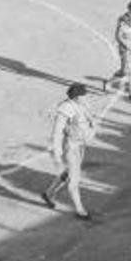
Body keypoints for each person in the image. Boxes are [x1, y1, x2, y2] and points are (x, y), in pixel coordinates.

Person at [40, 83, 98, 220]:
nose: (87, 96)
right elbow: (57, 132)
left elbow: (89, 120)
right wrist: (57, 152)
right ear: (77, 97)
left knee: (69, 173)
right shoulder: (66, 109)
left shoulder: (82, 105)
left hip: (79, 146)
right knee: (74, 180)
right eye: (84, 94)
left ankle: (48, 194)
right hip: (70, 147)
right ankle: (80, 209)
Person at [105, 0, 131, 100]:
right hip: (124, 47)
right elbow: (118, 36)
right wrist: (126, 46)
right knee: (125, 71)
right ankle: (109, 83)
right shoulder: (123, 19)